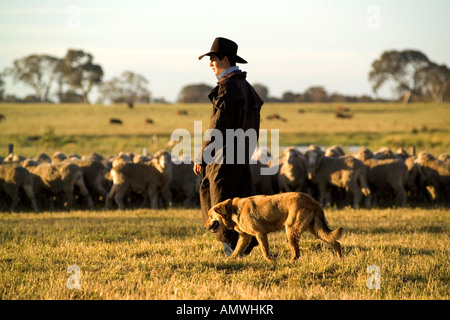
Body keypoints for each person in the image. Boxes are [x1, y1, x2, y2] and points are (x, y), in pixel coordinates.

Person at [194, 37, 264, 256]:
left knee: (221, 207)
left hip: (223, 161)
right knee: (242, 207)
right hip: (241, 158)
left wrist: (202, 157)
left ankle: (231, 253)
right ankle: (244, 250)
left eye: (213, 59)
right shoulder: (246, 87)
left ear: (225, 59)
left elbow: (217, 128)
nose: (210, 64)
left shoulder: (227, 89)